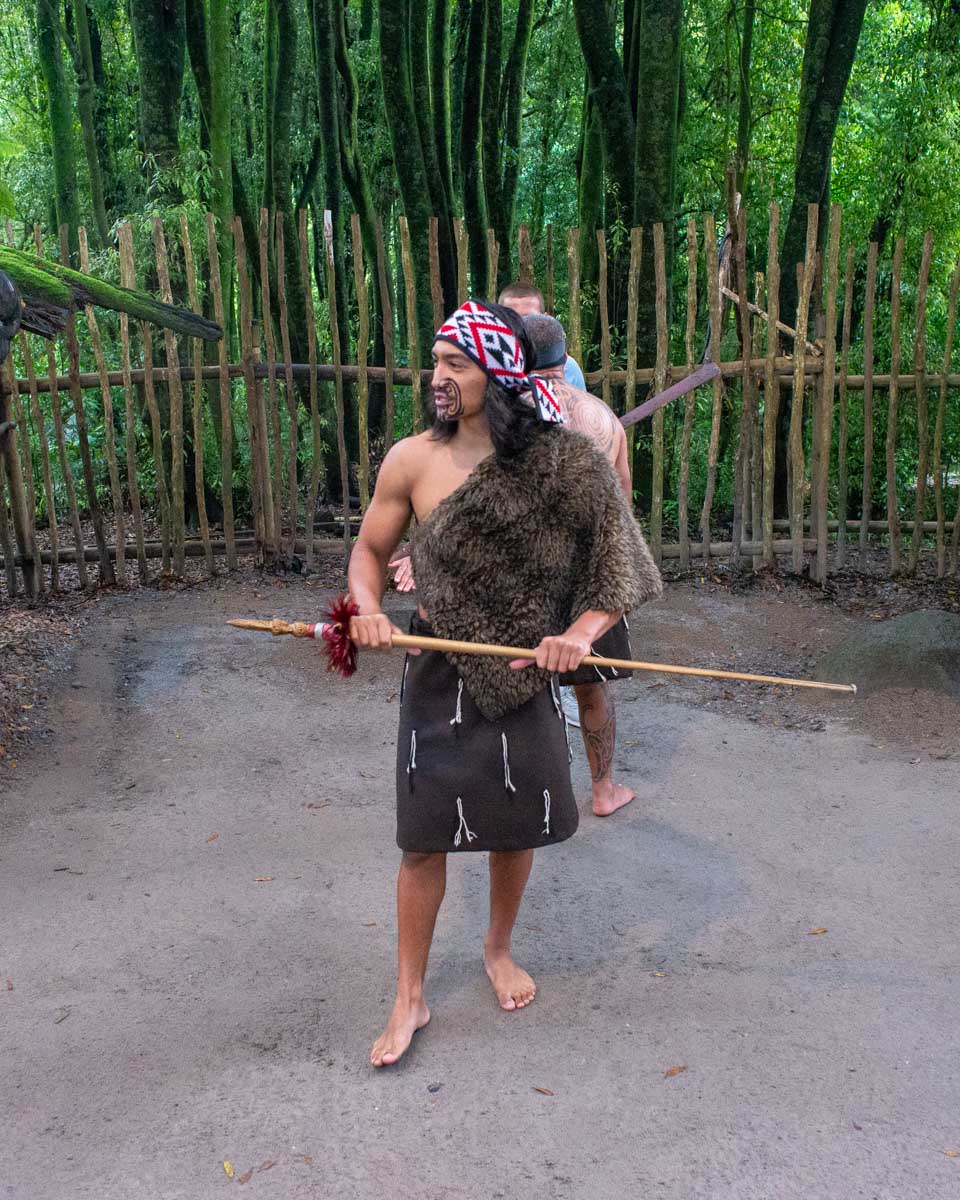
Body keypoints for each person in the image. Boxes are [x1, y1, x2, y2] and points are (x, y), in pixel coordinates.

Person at [348, 300, 661, 1067]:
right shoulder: (410, 459)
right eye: (435, 362)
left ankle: (497, 948)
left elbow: (620, 569)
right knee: (422, 841)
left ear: (501, 373)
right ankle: (409, 994)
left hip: (524, 673)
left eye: (456, 364)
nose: (438, 378)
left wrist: (577, 635)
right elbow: (367, 551)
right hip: (438, 671)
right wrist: (366, 610)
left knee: (511, 823)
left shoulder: (567, 463)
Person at [522, 312, 636, 817]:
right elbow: (624, 509)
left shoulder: (499, 416)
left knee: (519, 685)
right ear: (563, 359)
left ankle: (526, 795)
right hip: (589, 573)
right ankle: (604, 789)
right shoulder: (604, 419)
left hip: (524, 573)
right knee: (592, 687)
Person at [497, 281, 586, 389]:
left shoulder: (567, 367)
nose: (520, 326)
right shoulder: (486, 367)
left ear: (544, 320)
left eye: (529, 318)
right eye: (512, 319)